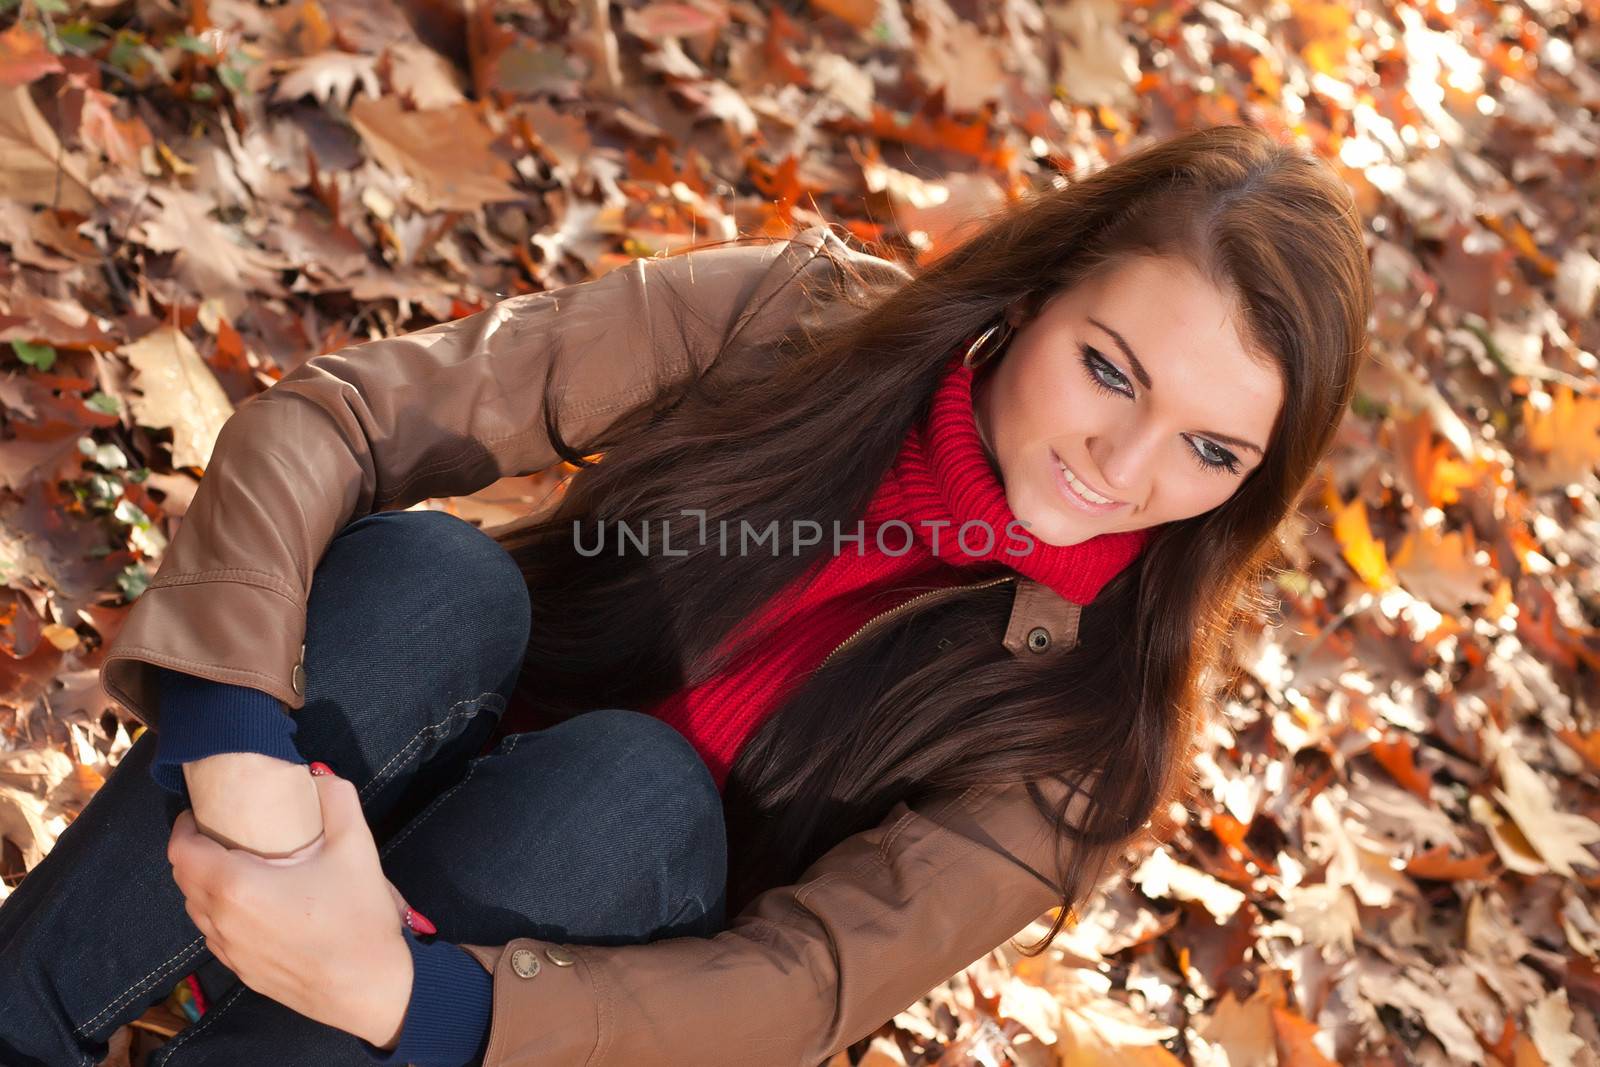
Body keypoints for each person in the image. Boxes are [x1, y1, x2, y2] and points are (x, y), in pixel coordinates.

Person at [0, 124, 1372, 1066]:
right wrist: (241, 754)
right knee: (436, 580)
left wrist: (404, 993)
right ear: (1041, 291)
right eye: (1111, 371)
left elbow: (801, 991)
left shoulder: (1088, 737)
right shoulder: (790, 321)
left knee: (632, 792)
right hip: (332, 796)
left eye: (1209, 451)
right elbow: (343, 421)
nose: (1121, 471)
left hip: (523, 999)